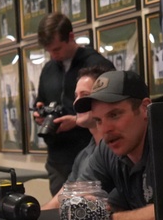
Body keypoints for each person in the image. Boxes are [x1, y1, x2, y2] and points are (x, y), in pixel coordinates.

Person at [33, 13, 114, 196]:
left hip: (91, 150)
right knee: (59, 213)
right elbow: (41, 100)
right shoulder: (48, 69)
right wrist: (39, 113)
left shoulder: (97, 65)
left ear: (71, 37)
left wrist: (76, 120)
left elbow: (111, 108)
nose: (53, 56)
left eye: (57, 49)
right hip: (58, 158)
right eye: (49, 51)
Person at [71, 70, 156, 220]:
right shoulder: (107, 149)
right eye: (98, 120)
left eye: (115, 115)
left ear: (145, 108)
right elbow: (73, 203)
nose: (106, 129)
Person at [41, 64, 115, 210]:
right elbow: (65, 197)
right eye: (76, 96)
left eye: (85, 96)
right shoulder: (85, 154)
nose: (76, 103)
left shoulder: (118, 149)